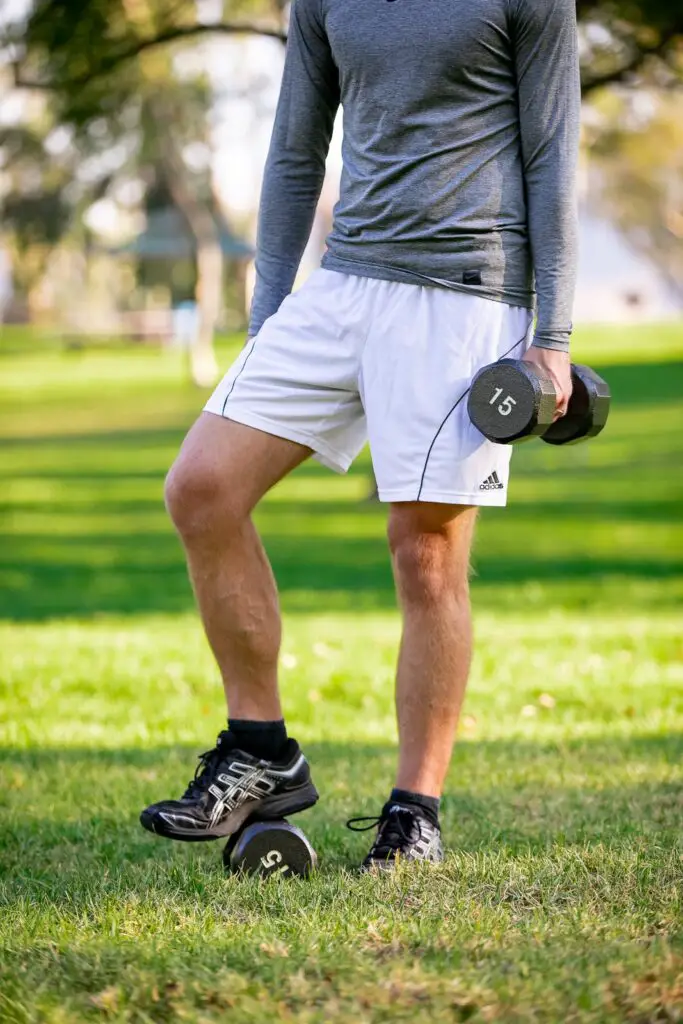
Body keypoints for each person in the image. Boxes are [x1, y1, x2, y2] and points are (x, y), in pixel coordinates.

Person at [140, 0, 580, 870]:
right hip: (342, 283)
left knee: (425, 553)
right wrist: (268, 312)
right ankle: (261, 748)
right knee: (201, 487)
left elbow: (550, 153)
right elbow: (294, 151)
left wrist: (553, 337)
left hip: (465, 292)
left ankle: (414, 810)